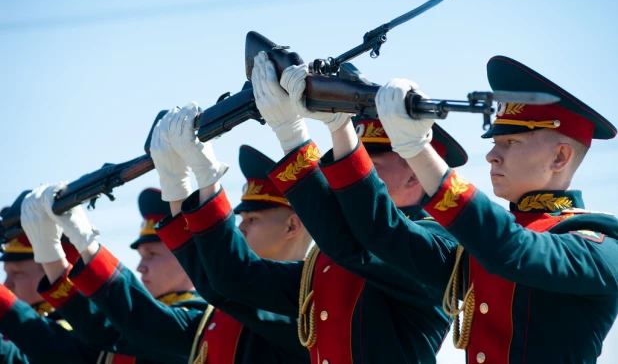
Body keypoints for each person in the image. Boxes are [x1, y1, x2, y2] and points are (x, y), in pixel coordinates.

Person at [158, 51, 467, 363]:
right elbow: (231, 280)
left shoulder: (439, 244)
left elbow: (366, 240)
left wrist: (297, 136)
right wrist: (192, 186)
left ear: (415, 174)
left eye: (369, 166)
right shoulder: (328, 263)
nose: (355, 174)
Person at [330, 55, 618, 363]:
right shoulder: (487, 239)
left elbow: (513, 250)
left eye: (511, 142)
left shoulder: (601, 242)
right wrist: (334, 129)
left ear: (560, 158)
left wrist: (415, 148)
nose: (493, 155)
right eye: (495, 142)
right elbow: (379, 232)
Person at [148, 107, 312, 363]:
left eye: (252, 219)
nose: (240, 228)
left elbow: (228, 280)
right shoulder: (233, 294)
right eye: (242, 219)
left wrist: (205, 179)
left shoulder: (308, 302)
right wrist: (175, 182)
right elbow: (218, 277)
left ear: (292, 226)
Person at [22, 187, 206, 364]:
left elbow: (139, 322)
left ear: (184, 256)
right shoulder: (133, 320)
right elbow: (96, 330)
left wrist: (86, 244)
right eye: (141, 256)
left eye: (152, 254)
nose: (140, 267)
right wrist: (49, 253)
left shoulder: (202, 318)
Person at [0, 205, 100, 363]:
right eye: (6, 273)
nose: (6, 284)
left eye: (17, 273)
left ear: (49, 274)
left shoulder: (77, 330)